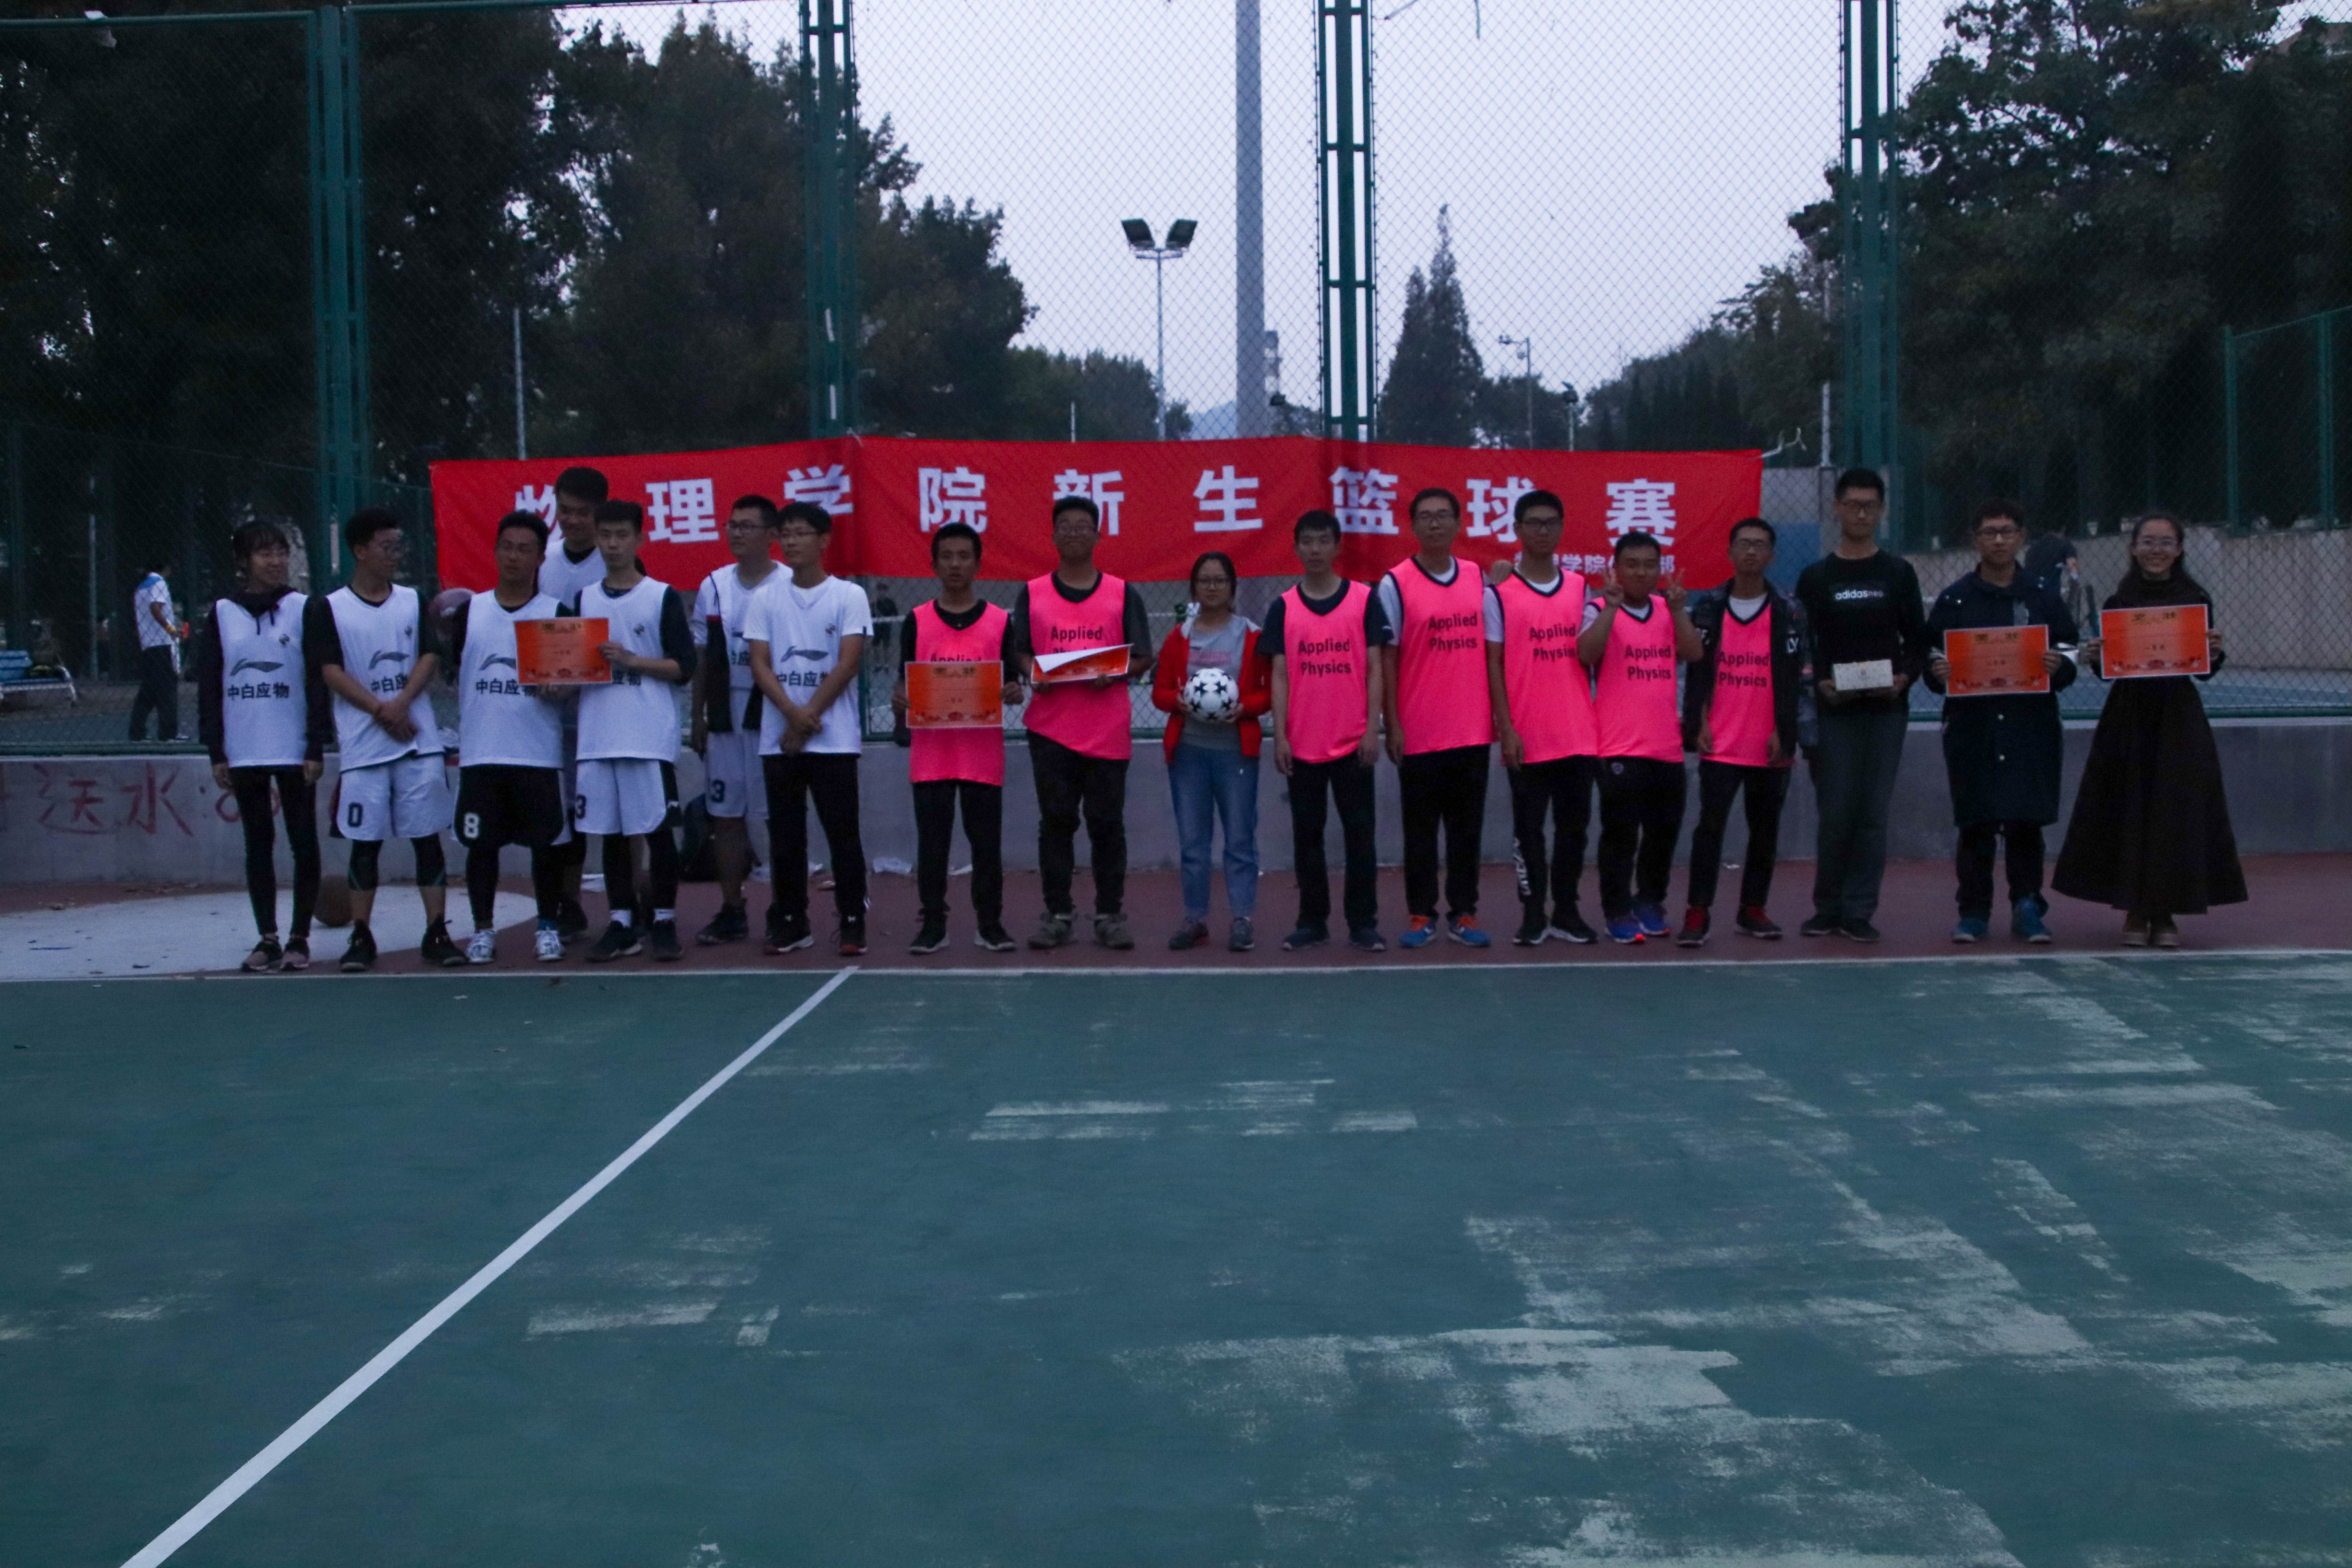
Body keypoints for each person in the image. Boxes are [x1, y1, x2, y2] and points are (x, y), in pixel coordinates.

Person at [2054, 511, 2245, 947]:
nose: (2156, 550)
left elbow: (2204, 670)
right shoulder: (2118, 601)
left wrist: (2215, 651)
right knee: (2130, 807)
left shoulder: (2195, 598)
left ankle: (2166, 914)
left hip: (2178, 717)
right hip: (2129, 717)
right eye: (2148, 542)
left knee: (2175, 812)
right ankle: (2135, 911)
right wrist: (2097, 656)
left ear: (2179, 550)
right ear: (2134, 548)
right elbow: (2109, 672)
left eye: (2165, 543)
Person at [305, 508, 464, 972]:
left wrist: (401, 704)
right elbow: (331, 670)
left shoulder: (412, 600)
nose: (396, 554)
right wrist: (380, 710)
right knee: (366, 844)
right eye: (387, 546)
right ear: (360, 550)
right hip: (365, 747)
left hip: (418, 743)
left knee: (427, 839)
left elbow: (429, 656)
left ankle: (437, 931)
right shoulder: (329, 607)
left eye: (399, 546)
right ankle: (361, 934)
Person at [1923, 501, 2080, 944]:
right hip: (1973, 727)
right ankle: (1973, 911)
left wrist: (2059, 666)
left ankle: (2027, 905)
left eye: (2007, 532)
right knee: (1976, 821)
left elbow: (2069, 647)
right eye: (1989, 533)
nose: (1998, 541)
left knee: (2025, 820)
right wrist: (1937, 672)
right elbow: (1931, 656)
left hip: (2031, 724)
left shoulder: (2043, 596)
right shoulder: (1954, 599)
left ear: (2021, 538)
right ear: (1975, 540)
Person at [1007, 495, 1154, 950]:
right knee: (1056, 823)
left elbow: (1143, 656)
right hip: (1050, 729)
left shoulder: (1122, 593)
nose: (1074, 533)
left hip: (1106, 730)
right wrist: (1034, 672)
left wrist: (1116, 671)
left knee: (1106, 824)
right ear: (1053, 536)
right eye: (1066, 526)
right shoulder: (1033, 592)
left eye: (1082, 526)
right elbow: (1020, 651)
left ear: (1098, 535)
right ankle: (1058, 914)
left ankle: (1110, 914)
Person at [1793, 467, 1927, 942]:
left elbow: (1918, 641)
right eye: (1853, 504)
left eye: (1870, 506)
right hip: (1834, 712)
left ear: (1882, 511)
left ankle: (1858, 911)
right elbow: (1804, 646)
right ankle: (1827, 908)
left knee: (1872, 814)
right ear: (1837, 508)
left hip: (1886, 712)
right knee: (1836, 812)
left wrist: (1904, 677)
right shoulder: (1816, 578)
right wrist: (1820, 684)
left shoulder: (1898, 573)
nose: (1861, 513)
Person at [563, 499, 697, 963]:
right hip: (598, 738)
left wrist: (632, 660)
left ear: (639, 539)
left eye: (622, 535)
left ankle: (663, 920)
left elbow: (684, 667)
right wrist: (554, 680)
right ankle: (622, 922)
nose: (613, 544)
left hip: (647, 737)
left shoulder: (660, 596)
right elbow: (572, 667)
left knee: (658, 832)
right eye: (605, 535)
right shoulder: (583, 600)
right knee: (611, 834)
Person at [198, 521, 329, 972]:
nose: (276, 562)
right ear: (244, 561)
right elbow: (210, 687)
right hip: (244, 747)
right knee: (258, 843)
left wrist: (316, 744)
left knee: (303, 840)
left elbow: (318, 681)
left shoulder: (305, 608)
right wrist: (216, 751)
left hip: (293, 747)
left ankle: (299, 938)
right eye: (265, 554)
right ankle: (268, 937)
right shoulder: (222, 613)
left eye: (281, 552)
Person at [746, 500, 872, 956]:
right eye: (787, 534)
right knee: (786, 837)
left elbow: (848, 663)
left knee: (843, 833)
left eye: (802, 533)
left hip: (832, 740)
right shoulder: (765, 598)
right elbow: (760, 664)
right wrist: (790, 713)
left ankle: (852, 919)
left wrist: (806, 718)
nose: (792, 542)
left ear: (823, 541)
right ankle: (792, 920)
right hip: (779, 738)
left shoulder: (848, 596)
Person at [447, 510, 572, 965]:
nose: (514, 557)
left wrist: (561, 687)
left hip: (537, 753)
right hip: (482, 752)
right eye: (507, 547)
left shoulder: (556, 614)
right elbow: (451, 673)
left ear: (540, 558)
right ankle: (482, 930)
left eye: (525, 549)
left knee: (546, 846)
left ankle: (548, 927)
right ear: (496, 550)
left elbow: (572, 683)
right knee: (482, 846)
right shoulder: (471, 611)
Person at [1261, 509, 1388, 952]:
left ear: (1337, 547)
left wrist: (1372, 730)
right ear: (1296, 548)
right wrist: (1281, 736)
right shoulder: (1283, 607)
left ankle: (1363, 922)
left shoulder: (1363, 599)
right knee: (1307, 837)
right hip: (1303, 745)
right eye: (1307, 542)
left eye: (1323, 541)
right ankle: (1312, 921)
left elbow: (1375, 668)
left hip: (1354, 741)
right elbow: (1280, 675)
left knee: (1360, 836)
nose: (1315, 550)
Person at [891, 521, 1020, 955]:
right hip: (932, 755)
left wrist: (1013, 691)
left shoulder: (1000, 621)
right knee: (933, 846)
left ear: (979, 564)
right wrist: (900, 698)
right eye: (947, 556)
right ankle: (933, 924)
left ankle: (990, 923)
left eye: (964, 556)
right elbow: (904, 681)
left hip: (982, 753)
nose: (956, 564)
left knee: (987, 845)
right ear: (933, 565)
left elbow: (1011, 682)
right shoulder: (917, 620)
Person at [1678, 518, 1808, 946]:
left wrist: (1784, 730)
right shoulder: (1709, 607)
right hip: (1720, 741)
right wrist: (1698, 722)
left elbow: (1794, 678)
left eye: (1760, 545)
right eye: (1744, 544)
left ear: (1772, 555)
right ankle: (1698, 911)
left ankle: (1753, 908)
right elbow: (1698, 671)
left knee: (1764, 832)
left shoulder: (1789, 610)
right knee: (1709, 829)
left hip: (1769, 742)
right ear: (1730, 552)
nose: (1752, 551)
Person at [1484, 489, 1600, 947]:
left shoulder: (1579, 587)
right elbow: (1494, 664)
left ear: (1562, 528)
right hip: (1527, 736)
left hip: (1578, 734)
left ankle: (1567, 911)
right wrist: (1506, 728)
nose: (1543, 530)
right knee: (1528, 833)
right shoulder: (1499, 595)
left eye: (1551, 522)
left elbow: (1590, 652)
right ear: (1517, 529)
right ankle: (1533, 914)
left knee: (1574, 831)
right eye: (1534, 522)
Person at [1379, 487, 1494, 949]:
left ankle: (1464, 913)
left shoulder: (1477, 577)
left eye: (1443, 515)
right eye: (1425, 516)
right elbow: (1388, 659)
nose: (1435, 523)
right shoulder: (1396, 583)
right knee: (1420, 832)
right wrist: (1393, 722)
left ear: (1459, 524)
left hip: (1472, 728)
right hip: (1420, 730)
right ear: (1412, 526)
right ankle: (1421, 914)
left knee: (1467, 831)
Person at [1579, 530, 1703, 944]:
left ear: (1660, 570)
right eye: (1631, 564)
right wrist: (1611, 610)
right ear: (1616, 568)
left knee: (1662, 833)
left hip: (1666, 745)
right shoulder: (1598, 608)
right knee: (1620, 836)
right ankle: (1617, 909)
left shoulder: (1669, 609)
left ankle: (1650, 901)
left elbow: (1694, 653)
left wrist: (1680, 611)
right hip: (1618, 746)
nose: (1641, 572)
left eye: (1650, 565)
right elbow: (1586, 654)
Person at [1151, 550, 1271, 951]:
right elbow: (1159, 691)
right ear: (1194, 589)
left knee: (1239, 839)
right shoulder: (1180, 636)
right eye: (1205, 581)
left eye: (1220, 580)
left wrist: (1246, 707)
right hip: (1189, 753)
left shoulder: (1251, 635)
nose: (1213, 587)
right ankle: (1195, 918)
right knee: (1193, 844)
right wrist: (1177, 700)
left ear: (1233, 588)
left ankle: (1242, 918)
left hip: (1235, 753)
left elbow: (1268, 692)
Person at [688, 494, 782, 946]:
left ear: (772, 535)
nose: (737, 533)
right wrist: (697, 716)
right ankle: (732, 908)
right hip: (726, 719)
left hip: (773, 717)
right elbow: (703, 656)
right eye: (732, 525)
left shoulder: (789, 584)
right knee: (725, 817)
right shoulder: (713, 585)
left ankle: (786, 908)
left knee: (777, 818)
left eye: (747, 526)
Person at [537, 465, 611, 943]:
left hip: (602, 706)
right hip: (549, 705)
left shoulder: (615, 560)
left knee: (616, 813)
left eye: (583, 512)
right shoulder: (544, 560)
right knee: (562, 811)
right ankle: (567, 902)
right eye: (565, 510)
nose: (573, 520)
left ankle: (631, 903)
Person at [129, 555, 183, 742]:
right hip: (161, 643)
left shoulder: (141, 587)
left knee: (149, 691)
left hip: (148, 644)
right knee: (168, 689)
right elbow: (156, 608)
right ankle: (168, 733)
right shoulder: (159, 582)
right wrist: (171, 629)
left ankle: (137, 732)